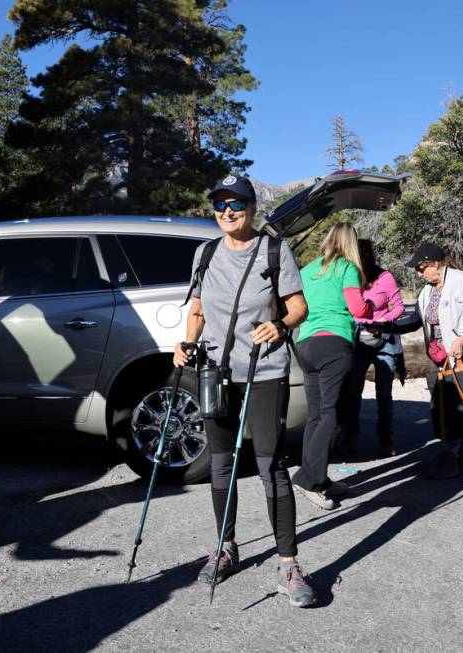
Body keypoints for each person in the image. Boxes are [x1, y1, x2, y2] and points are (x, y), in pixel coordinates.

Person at [173, 174, 316, 607]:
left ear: (253, 208)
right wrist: (186, 343)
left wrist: (280, 324)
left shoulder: (275, 250)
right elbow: (197, 310)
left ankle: (288, 564)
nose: (227, 212)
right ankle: (225, 548)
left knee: (271, 465)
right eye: (219, 204)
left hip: (264, 370)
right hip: (215, 372)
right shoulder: (206, 252)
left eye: (236, 204)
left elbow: (299, 307)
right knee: (220, 463)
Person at [291, 223, 372, 510]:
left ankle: (318, 476)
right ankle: (309, 479)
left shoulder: (307, 269)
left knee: (316, 415)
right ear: (349, 243)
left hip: (306, 344)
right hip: (334, 345)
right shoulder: (346, 268)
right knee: (332, 416)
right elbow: (358, 309)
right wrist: (371, 304)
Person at [406, 243, 463, 479]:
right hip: (443, 356)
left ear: (435, 264)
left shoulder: (460, 281)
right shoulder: (427, 292)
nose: (418, 273)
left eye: (421, 268)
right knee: (454, 402)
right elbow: (416, 320)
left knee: (455, 401)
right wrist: (385, 327)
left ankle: (450, 458)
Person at [345, 238, 406, 458]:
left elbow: (399, 307)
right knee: (353, 392)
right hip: (357, 342)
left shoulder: (385, 277)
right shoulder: (349, 277)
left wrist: (383, 321)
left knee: (384, 393)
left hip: (383, 341)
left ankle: (386, 438)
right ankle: (350, 436)